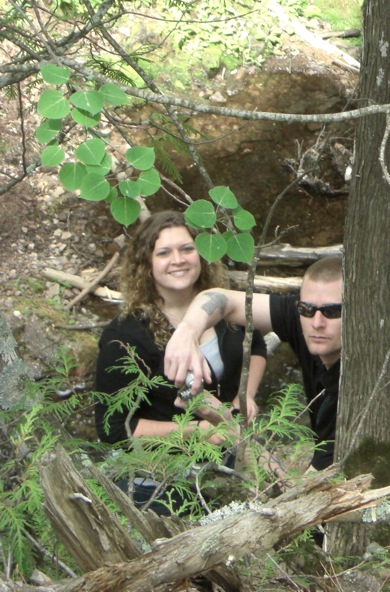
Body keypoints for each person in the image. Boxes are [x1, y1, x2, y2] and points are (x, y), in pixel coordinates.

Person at [94, 210, 268, 514]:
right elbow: (114, 430)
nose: (178, 260)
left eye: (187, 249)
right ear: (146, 264)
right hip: (156, 478)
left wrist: (246, 397)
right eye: (164, 253)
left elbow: (256, 345)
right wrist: (197, 430)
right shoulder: (125, 335)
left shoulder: (222, 305)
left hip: (223, 457)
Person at [164, 255, 344, 472]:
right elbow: (222, 299)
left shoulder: (352, 389)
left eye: (332, 312)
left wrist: (221, 420)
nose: (317, 323)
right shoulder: (302, 318)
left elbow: (300, 486)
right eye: (306, 309)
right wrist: (187, 332)